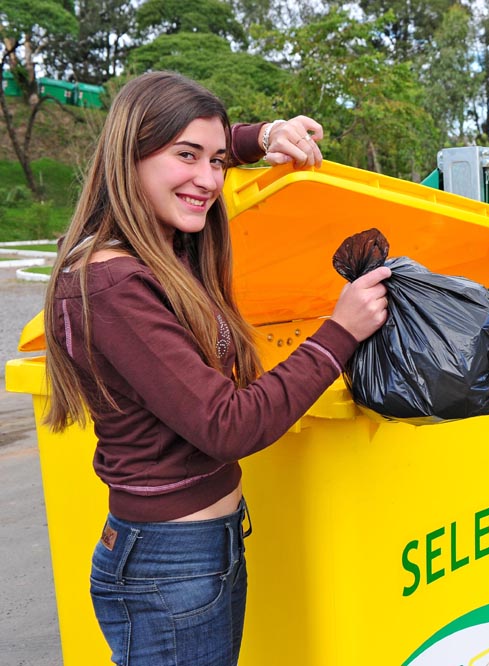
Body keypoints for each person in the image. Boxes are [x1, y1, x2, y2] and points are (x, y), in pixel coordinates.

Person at [41, 71, 391, 665]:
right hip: (168, 564)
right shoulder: (111, 282)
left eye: (218, 161)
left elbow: (202, 145)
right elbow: (228, 426)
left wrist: (264, 137)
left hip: (201, 549)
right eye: (186, 157)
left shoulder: (160, 248)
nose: (208, 180)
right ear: (129, 157)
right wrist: (341, 333)